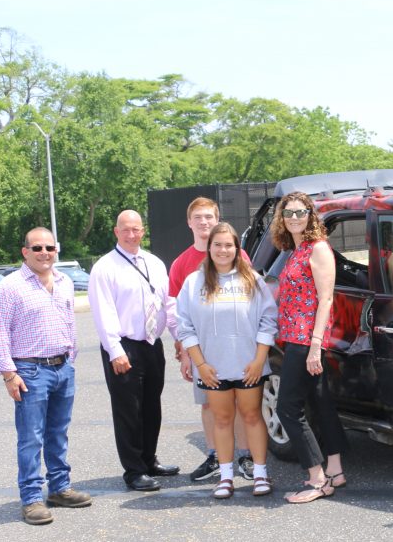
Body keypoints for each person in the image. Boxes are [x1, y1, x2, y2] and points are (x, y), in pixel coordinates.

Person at [0, 227, 91, 525]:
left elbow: (69, 322)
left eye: (49, 248)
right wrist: (9, 374)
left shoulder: (65, 282)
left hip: (62, 368)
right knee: (31, 437)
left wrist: (71, 359)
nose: (44, 253)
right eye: (37, 248)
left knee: (58, 433)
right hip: (29, 371)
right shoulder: (10, 286)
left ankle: (59, 488)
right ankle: (31, 498)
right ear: (25, 252)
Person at [176, 223, 277, 499]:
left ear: (237, 249)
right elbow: (184, 326)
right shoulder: (193, 283)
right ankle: (226, 476)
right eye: (217, 245)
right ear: (209, 248)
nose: (223, 250)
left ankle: (259, 474)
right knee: (222, 419)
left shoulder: (252, 280)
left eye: (228, 245)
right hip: (212, 368)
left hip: (249, 367)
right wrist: (201, 365)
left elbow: (268, 321)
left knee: (253, 416)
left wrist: (259, 360)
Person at [89, 210, 180, 492]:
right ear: (116, 232)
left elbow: (169, 304)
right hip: (123, 347)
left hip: (153, 344)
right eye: (125, 230)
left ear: (143, 231)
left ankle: (149, 460)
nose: (131, 235)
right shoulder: (105, 268)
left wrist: (179, 339)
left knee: (152, 406)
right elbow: (103, 312)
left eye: (136, 229)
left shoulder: (154, 263)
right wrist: (115, 350)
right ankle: (134, 470)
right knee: (129, 410)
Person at [168, 196, 254, 483]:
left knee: (242, 403)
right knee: (208, 404)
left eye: (209, 217)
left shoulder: (239, 256)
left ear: (217, 220)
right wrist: (183, 352)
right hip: (202, 351)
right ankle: (215, 455)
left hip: (238, 345)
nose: (204, 222)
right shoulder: (182, 264)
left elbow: (254, 301)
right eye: (199, 217)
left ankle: (245, 456)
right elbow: (176, 313)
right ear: (189, 222)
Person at [272, 191, 345, 503]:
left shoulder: (318, 249)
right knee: (320, 401)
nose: (294, 217)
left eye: (300, 212)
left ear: (311, 216)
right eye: (288, 213)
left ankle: (317, 479)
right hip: (295, 336)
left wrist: (316, 345)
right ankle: (336, 470)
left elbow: (326, 299)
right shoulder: (296, 249)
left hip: (306, 339)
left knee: (287, 407)